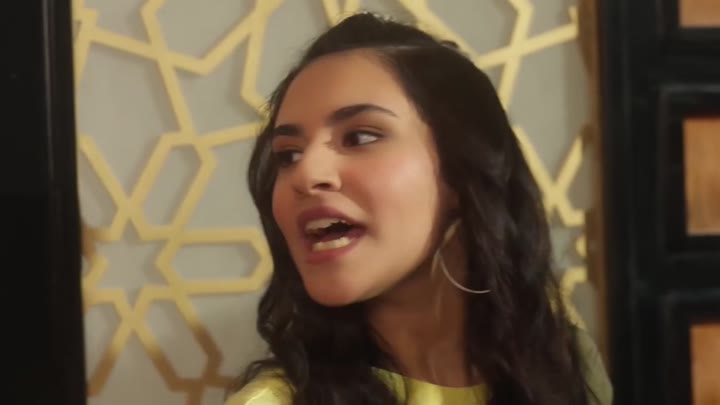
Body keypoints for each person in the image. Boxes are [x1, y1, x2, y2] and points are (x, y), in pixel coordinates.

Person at [226, 12, 612, 405]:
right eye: (288, 155)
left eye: (359, 137)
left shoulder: (567, 364)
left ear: (461, 168)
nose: (306, 173)